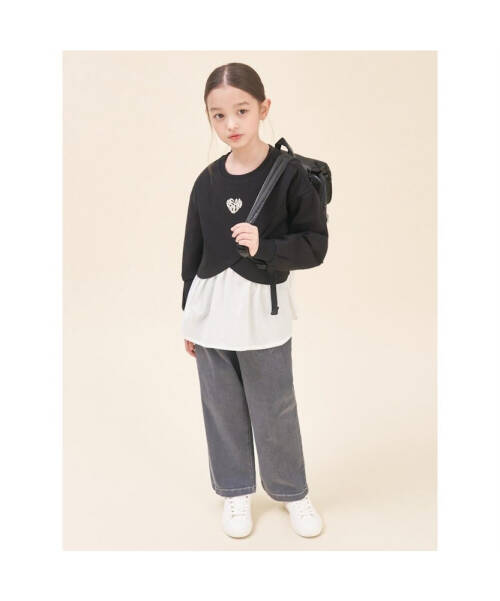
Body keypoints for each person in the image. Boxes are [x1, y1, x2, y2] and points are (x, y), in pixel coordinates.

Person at [181, 62, 328, 538]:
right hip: (210, 314)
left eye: (242, 110)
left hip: (263, 312)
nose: (231, 124)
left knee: (275, 407)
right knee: (221, 407)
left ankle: (293, 493)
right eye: (218, 115)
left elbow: (315, 246)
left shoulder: (290, 176)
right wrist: (188, 318)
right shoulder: (206, 182)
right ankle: (235, 492)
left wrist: (264, 246)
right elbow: (192, 255)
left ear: (264, 108)